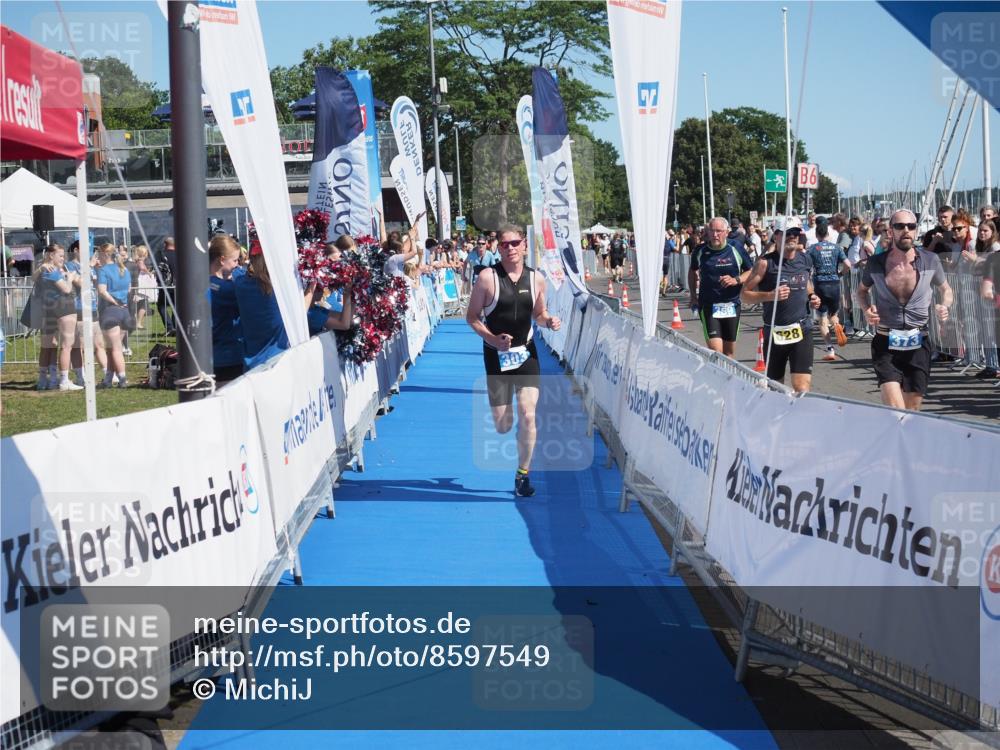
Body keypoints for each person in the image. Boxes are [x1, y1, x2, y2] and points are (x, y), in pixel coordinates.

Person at [465, 224, 560, 498]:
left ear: (525, 245)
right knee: (503, 425)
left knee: (528, 415)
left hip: (526, 353)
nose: (511, 248)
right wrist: (493, 339)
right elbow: (471, 317)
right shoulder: (487, 278)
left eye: (515, 243)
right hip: (496, 356)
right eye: (505, 244)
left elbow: (539, 314)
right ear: (498, 247)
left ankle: (522, 475)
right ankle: (513, 426)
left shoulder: (536, 279)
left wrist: (549, 321)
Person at [856, 209, 953, 411]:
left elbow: (946, 290)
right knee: (897, 412)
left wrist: (944, 306)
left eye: (911, 226)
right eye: (900, 226)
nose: (906, 230)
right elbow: (862, 292)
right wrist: (866, 310)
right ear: (891, 231)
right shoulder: (876, 263)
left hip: (918, 344)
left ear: (916, 230)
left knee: (912, 413)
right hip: (886, 343)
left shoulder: (930, 260)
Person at [742, 226, 822, 392]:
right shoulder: (765, 263)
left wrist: (812, 296)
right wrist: (771, 295)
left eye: (795, 233)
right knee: (776, 388)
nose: (792, 237)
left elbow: (805, 281)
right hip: (775, 332)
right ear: (776, 237)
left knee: (802, 387)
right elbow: (744, 295)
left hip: (802, 330)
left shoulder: (805, 259)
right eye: (787, 233)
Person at [687, 217, 753, 358]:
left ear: (727, 232)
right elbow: (692, 271)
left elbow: (751, 271)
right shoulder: (700, 250)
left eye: (719, 231)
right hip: (709, 306)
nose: (715, 234)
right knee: (717, 353)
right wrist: (693, 296)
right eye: (712, 231)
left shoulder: (735, 248)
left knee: (729, 353)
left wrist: (736, 280)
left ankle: (727, 373)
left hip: (732, 305)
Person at [35, 244, 82, 391]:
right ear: (51, 255)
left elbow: (33, 278)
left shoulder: (45, 270)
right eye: (60, 256)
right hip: (63, 307)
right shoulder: (52, 271)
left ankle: (44, 380)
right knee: (66, 345)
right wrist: (70, 278)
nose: (63, 258)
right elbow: (67, 289)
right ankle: (64, 380)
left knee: (48, 346)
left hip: (48, 309)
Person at [806, 217, 851, 361]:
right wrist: (840, 274)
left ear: (817, 235)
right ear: (828, 234)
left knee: (822, 318)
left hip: (820, 283)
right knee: (833, 314)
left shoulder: (812, 249)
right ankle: (837, 325)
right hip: (834, 282)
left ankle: (830, 349)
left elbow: (806, 266)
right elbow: (848, 264)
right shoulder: (836, 248)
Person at [208, 235, 246, 385]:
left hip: (212, 354)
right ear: (222, 260)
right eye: (235, 260)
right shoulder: (225, 288)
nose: (238, 265)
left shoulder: (206, 282)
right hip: (228, 355)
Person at [96, 242, 133, 388]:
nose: (98, 256)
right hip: (125, 312)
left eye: (99, 253)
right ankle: (108, 379)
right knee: (112, 348)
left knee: (116, 348)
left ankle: (123, 379)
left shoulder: (103, 270)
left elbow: (102, 290)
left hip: (110, 311)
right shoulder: (124, 269)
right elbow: (129, 289)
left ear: (105, 254)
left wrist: (114, 301)